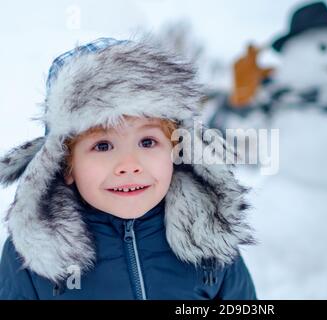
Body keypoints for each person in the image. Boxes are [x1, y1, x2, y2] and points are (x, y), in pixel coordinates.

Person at [0, 37, 257, 300]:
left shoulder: (209, 236)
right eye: (102, 146)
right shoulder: (35, 253)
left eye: (147, 141)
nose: (129, 165)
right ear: (65, 164)